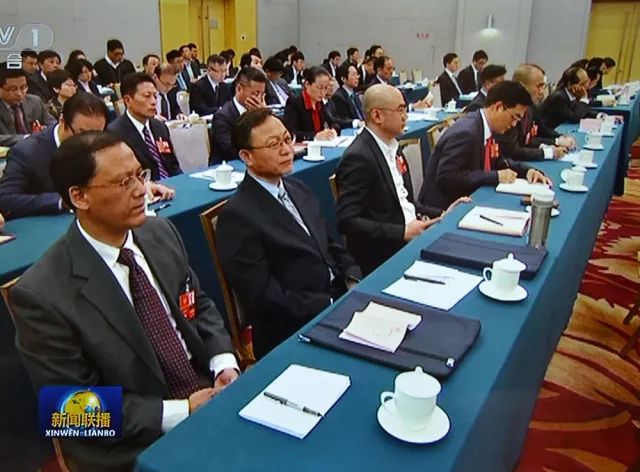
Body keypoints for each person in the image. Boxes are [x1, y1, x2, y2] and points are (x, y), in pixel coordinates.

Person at [11, 130, 238, 471]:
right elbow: (68, 411)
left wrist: (223, 362)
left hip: (210, 396)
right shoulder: (41, 295)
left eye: (139, 175)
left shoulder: (159, 233)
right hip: (133, 443)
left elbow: (199, 303)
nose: (141, 190)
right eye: (123, 182)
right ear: (79, 196)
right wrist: (182, 411)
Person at [216, 108, 361, 358]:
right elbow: (263, 296)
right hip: (295, 328)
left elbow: (329, 244)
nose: (286, 150)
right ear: (246, 156)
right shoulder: (238, 216)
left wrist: (352, 279)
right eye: (274, 144)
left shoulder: (299, 188)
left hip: (340, 300)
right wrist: (328, 304)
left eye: (287, 139)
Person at [335, 84, 463, 276]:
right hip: (385, 254)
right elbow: (347, 221)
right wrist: (402, 232)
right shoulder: (359, 157)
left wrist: (442, 213)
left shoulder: (393, 147)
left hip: (411, 237)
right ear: (377, 116)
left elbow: (406, 203)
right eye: (400, 110)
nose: (406, 116)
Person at [0, 92, 173, 220]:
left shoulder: (102, 144)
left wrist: (139, 185)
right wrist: (64, 201)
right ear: (63, 122)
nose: (90, 142)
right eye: (82, 133)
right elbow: (6, 200)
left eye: (97, 134)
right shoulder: (28, 151)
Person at [419, 81, 550, 210]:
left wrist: (527, 171)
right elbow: (447, 178)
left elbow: (498, 160)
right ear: (498, 107)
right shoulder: (466, 133)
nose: (514, 124)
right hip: (444, 208)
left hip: (469, 196)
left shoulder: (487, 127)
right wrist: (495, 176)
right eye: (514, 117)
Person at [108, 73, 181, 180]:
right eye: (147, 96)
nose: (154, 102)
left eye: (155, 96)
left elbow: (173, 165)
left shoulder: (159, 126)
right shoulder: (115, 133)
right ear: (128, 100)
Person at [498, 63, 575, 162]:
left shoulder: (531, 107)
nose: (542, 92)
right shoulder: (509, 111)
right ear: (522, 86)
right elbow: (513, 152)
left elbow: (538, 132)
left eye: (543, 86)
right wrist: (548, 152)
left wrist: (558, 139)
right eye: (539, 86)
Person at [210, 67, 266, 163]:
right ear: (239, 89)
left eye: (262, 94)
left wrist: (265, 116)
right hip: (229, 165)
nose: (259, 99)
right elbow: (230, 151)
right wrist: (254, 118)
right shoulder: (222, 117)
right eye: (255, 94)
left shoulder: (260, 112)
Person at [0, 65, 56, 147]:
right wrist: (28, 138)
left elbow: (53, 124)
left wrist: (45, 130)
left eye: (23, 88)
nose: (19, 94)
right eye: (13, 89)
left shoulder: (35, 101)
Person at [282, 66, 340, 141]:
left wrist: (333, 130)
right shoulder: (294, 102)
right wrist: (315, 136)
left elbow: (333, 121)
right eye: (319, 87)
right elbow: (291, 133)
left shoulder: (320, 103)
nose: (323, 92)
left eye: (326, 88)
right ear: (307, 84)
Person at [369, 56, 433, 109]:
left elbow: (402, 102)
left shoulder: (392, 85)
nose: (391, 71)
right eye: (388, 69)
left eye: (393, 68)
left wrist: (414, 106)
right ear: (379, 70)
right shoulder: (373, 88)